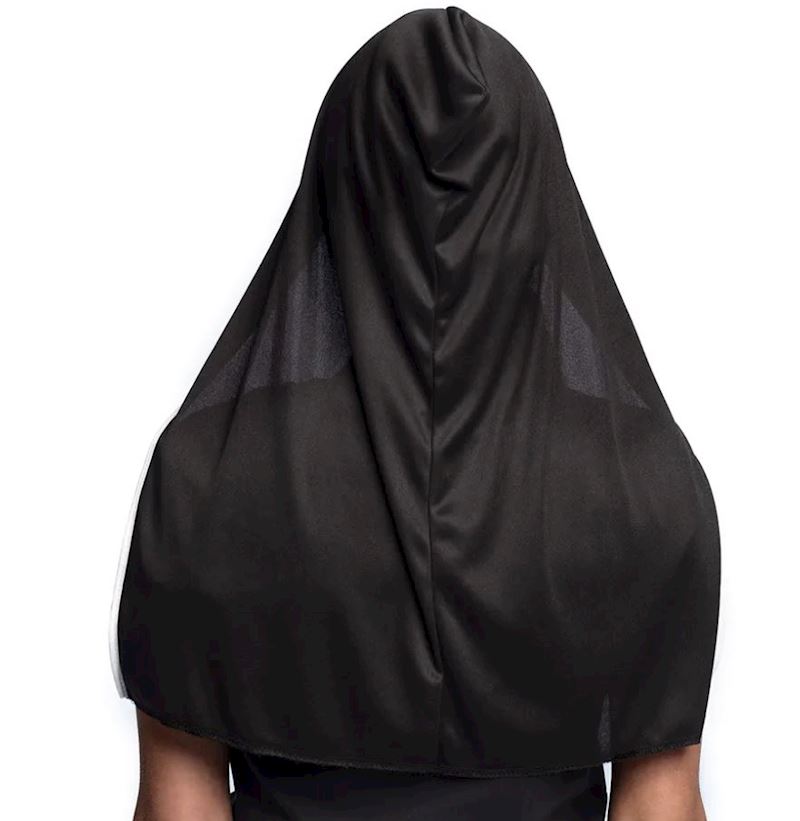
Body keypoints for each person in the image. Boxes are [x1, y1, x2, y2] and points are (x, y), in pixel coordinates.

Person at [110, 7, 720, 820]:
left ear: (337, 180)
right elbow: (657, 805)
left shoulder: (205, 473)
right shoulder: (645, 481)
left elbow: (180, 804)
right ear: (536, 190)